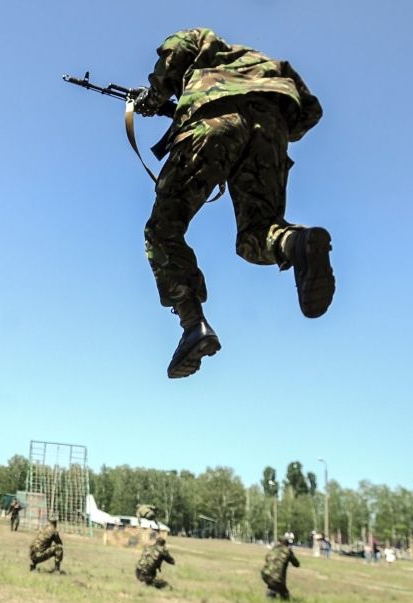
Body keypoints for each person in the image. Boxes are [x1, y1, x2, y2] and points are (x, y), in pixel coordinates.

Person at [132, 28, 333, 378]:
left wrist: (153, 98)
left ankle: (193, 325)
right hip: (272, 128)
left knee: (163, 231)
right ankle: (295, 241)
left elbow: (173, 54)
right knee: (257, 234)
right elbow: (309, 113)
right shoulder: (269, 63)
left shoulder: (199, 37)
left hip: (214, 119)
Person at [262, 535, 300, 600]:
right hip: (277, 578)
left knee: (274, 584)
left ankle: (272, 594)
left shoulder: (273, 549)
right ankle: (273, 595)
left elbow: (266, 559)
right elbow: (296, 564)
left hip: (265, 574)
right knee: (284, 595)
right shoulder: (287, 551)